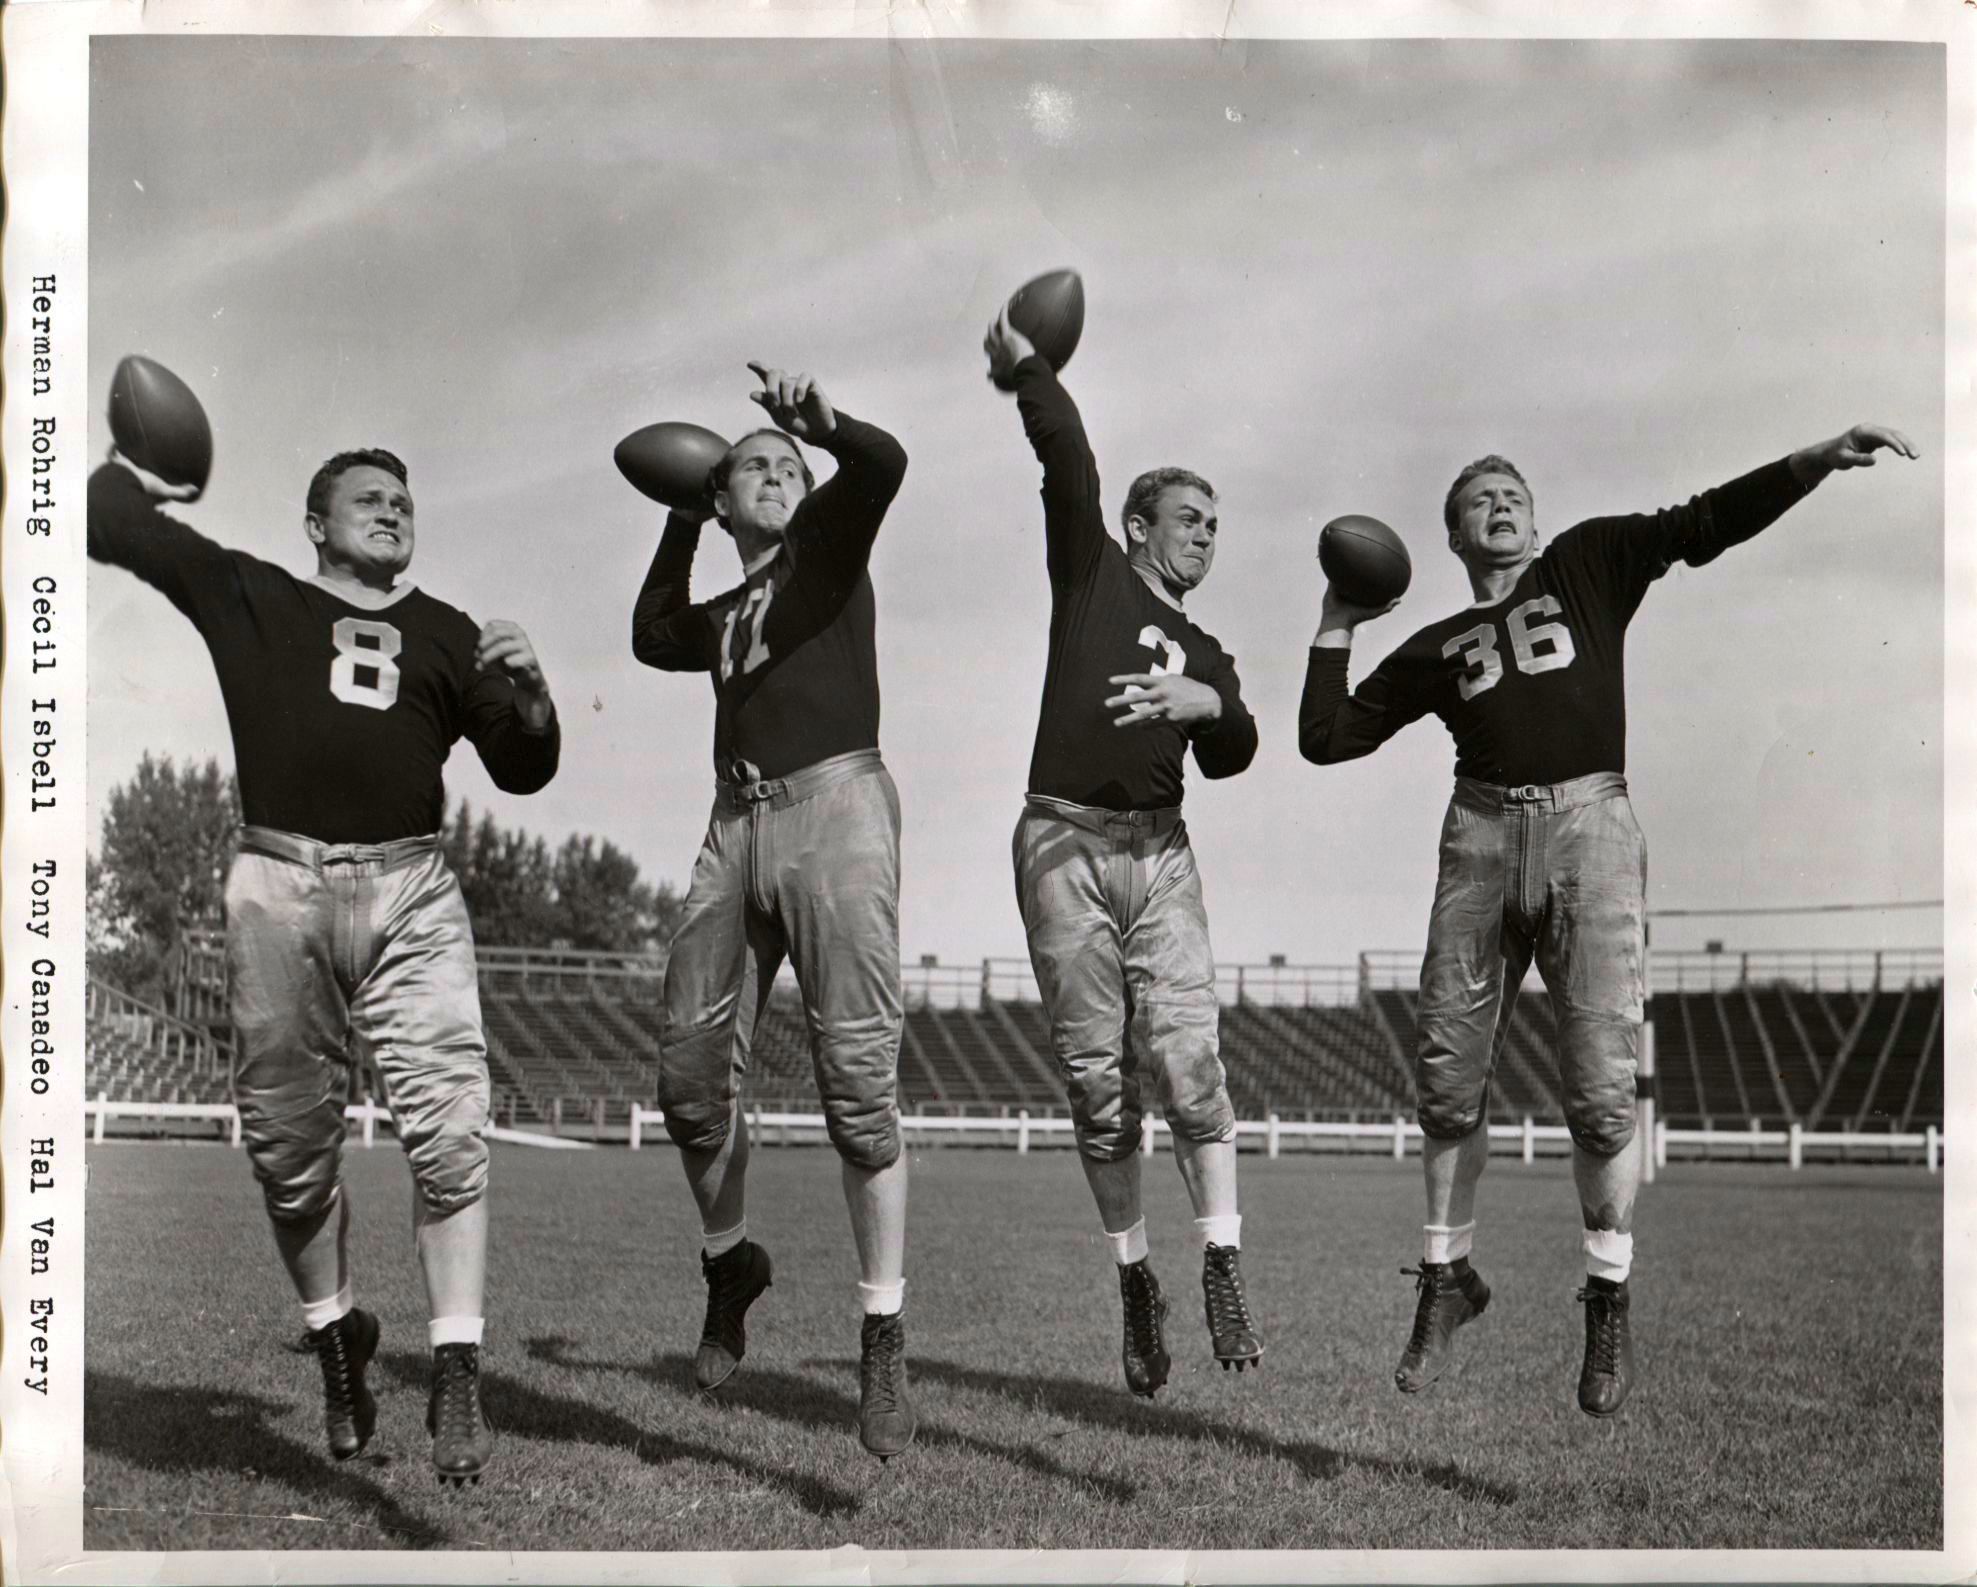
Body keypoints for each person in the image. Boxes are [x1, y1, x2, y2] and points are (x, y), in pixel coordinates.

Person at [1299, 422, 1918, 1415]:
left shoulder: (1586, 562)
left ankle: (1607, 1293)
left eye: (1513, 495)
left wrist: (1808, 461)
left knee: (1597, 1094)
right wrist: (1336, 618)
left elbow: (1704, 522)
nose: (1500, 507)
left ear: (1534, 520)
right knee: (1447, 1082)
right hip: (1480, 835)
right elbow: (1325, 738)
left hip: (1592, 825)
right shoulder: (1433, 645)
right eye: (1478, 502)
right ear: (1452, 539)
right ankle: (1447, 1277)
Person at [88, 438, 562, 1482]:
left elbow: (525, 772)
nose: (393, 511)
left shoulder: (451, 634)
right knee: (289, 1152)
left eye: (404, 500)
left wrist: (532, 701)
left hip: (411, 888)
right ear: (316, 524)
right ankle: (338, 1336)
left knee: (450, 1130)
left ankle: (455, 1370)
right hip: (278, 883)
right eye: (368, 499)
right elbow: (107, 521)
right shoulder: (255, 595)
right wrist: (141, 469)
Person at [631, 362, 915, 1459]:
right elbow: (655, 633)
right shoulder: (731, 601)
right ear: (721, 495)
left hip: (835, 807)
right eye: (752, 465)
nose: (776, 474)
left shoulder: (826, 552)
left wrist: (823, 424)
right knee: (690, 1086)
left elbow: (882, 466)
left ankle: (880, 1335)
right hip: (732, 823)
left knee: (856, 1091)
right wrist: (679, 515)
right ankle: (730, 1262)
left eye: (789, 469)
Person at [983, 313, 1263, 1398]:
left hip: (1160, 855)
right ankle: (1137, 1280)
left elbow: (1237, 749)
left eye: (1216, 524)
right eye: (1190, 519)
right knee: (1100, 1090)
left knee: (1193, 1064)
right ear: (1141, 527)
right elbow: (1069, 461)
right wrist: (1032, 369)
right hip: (1060, 838)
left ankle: (1222, 1265)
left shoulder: (1207, 650)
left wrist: (1208, 702)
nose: (1206, 535)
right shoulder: (1093, 576)